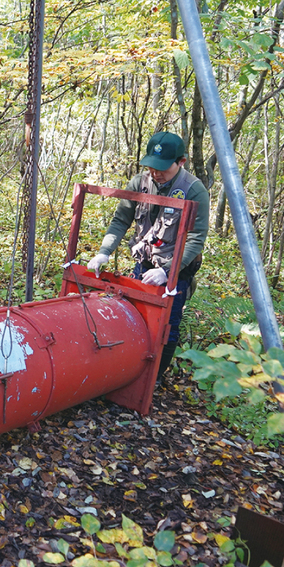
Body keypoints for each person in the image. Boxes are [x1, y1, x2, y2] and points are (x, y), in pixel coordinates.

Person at [86, 131, 209, 381]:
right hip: (144, 261)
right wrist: (103, 253)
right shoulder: (139, 183)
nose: (156, 173)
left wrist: (168, 271)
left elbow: (196, 237)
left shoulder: (194, 190)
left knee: (166, 326)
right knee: (135, 317)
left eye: (163, 168)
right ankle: (128, 370)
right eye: (152, 167)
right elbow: (121, 220)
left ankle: (152, 379)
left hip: (177, 269)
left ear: (181, 162)